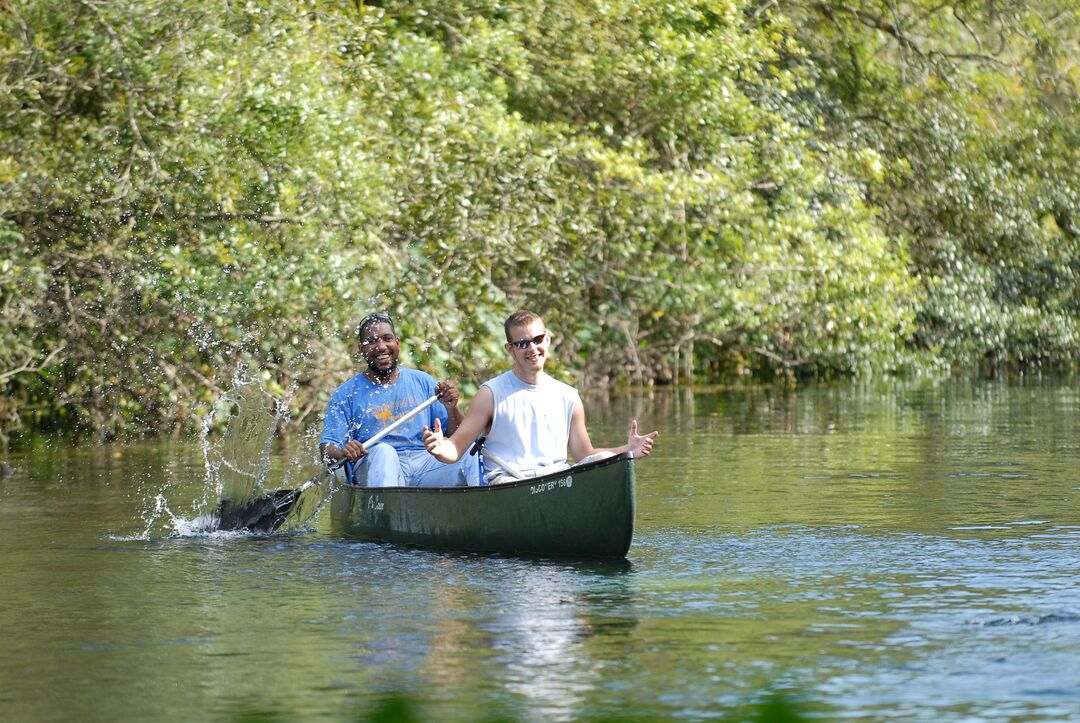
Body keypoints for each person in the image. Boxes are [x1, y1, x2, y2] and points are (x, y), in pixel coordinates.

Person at [422, 310, 657, 484]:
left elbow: (583, 454)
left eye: (537, 340)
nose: (532, 349)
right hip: (509, 482)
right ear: (510, 349)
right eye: (522, 343)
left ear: (548, 340)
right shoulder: (490, 393)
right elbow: (456, 449)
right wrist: (439, 447)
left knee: (606, 459)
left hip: (557, 479)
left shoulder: (569, 396)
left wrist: (627, 451)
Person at [319, 312, 480, 487]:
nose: (381, 347)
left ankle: (484, 504)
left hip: (424, 464)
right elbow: (326, 448)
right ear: (361, 349)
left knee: (471, 450)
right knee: (384, 452)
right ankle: (388, 512)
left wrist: (451, 408)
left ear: (397, 342)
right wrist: (344, 451)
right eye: (372, 341)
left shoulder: (423, 381)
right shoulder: (345, 394)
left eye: (387, 339)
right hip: (375, 464)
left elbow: (459, 435)